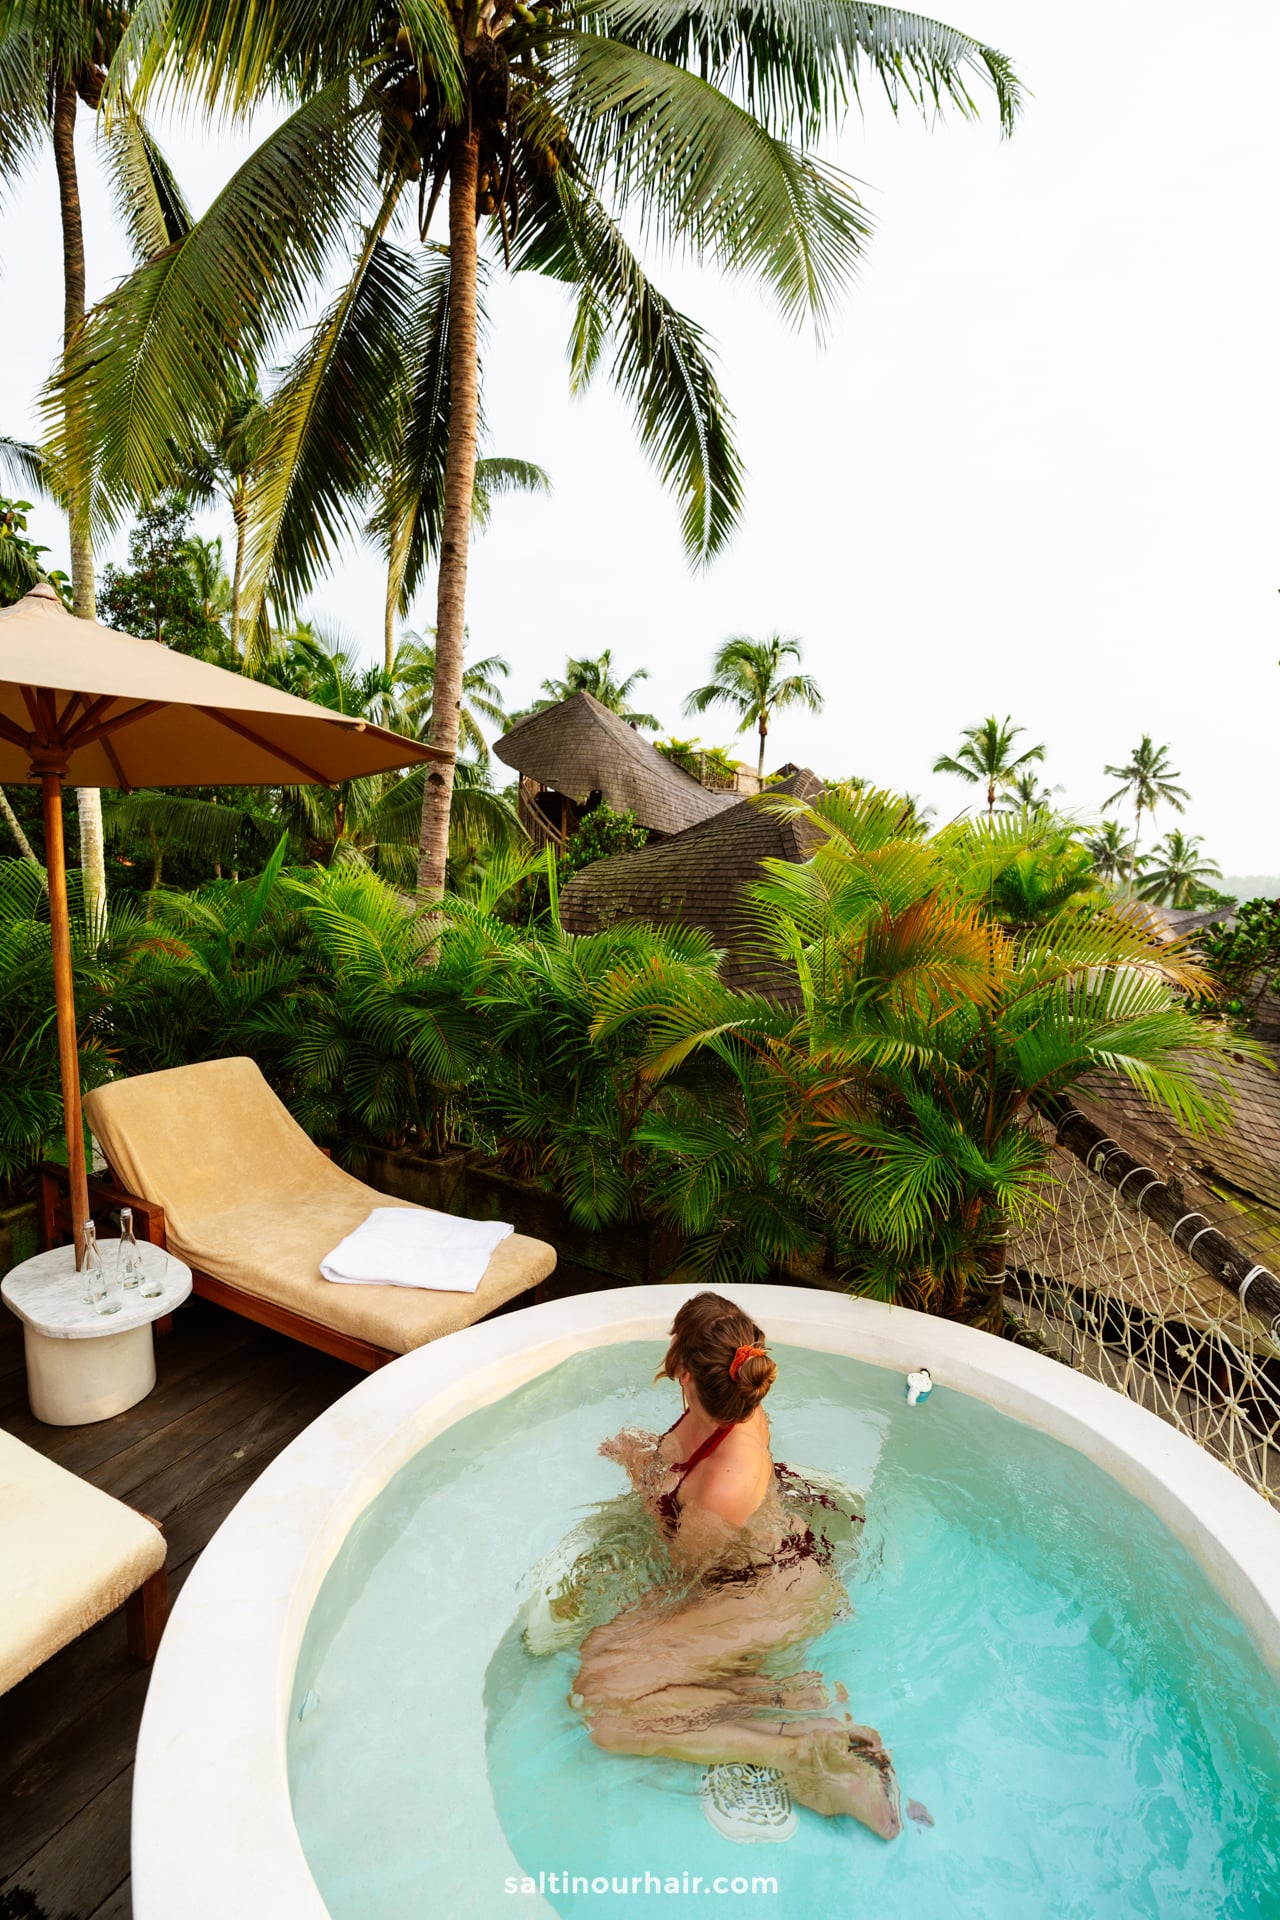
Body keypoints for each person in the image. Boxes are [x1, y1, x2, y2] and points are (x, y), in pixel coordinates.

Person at [572, 1291, 905, 1840]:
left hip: (768, 1597)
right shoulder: (736, 1402)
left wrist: (630, 1612)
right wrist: (643, 1458)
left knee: (603, 1710)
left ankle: (800, 1753)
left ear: (681, 1370)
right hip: (764, 1572)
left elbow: (686, 1580)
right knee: (600, 1665)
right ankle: (783, 1700)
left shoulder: (722, 1484)